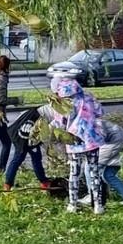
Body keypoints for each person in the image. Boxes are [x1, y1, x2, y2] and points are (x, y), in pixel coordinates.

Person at [45, 75, 106, 214]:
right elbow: (100, 112)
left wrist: (48, 128)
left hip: (74, 142)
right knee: (94, 172)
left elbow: (60, 123)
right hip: (92, 140)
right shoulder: (88, 96)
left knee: (74, 173)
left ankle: (72, 204)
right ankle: (98, 206)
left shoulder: (63, 103)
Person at [3, 106, 51, 191]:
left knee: (18, 158)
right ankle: (44, 182)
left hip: (19, 134)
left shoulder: (42, 109)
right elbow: (47, 133)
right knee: (35, 159)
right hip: (27, 136)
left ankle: (7, 185)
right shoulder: (53, 114)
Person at [95, 120, 123, 206]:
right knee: (108, 175)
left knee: (90, 167)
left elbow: (100, 135)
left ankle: (92, 196)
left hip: (114, 143)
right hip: (121, 142)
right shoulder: (98, 121)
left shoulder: (92, 122)